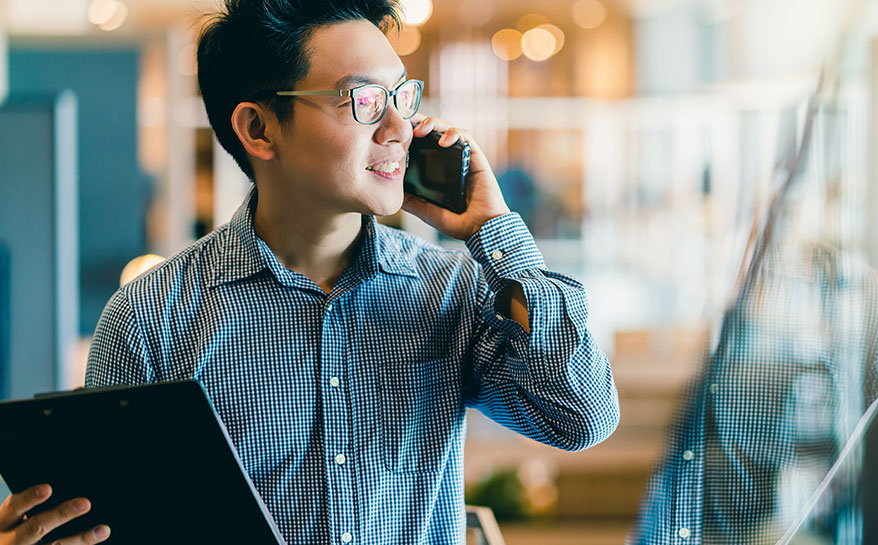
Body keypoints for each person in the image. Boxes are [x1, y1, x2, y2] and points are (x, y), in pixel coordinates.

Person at [0, 1, 620, 543]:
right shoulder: (152, 313)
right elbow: (121, 518)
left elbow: (580, 419)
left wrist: (497, 233)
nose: (401, 129)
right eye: (364, 101)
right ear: (259, 128)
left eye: (402, 96)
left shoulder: (450, 288)